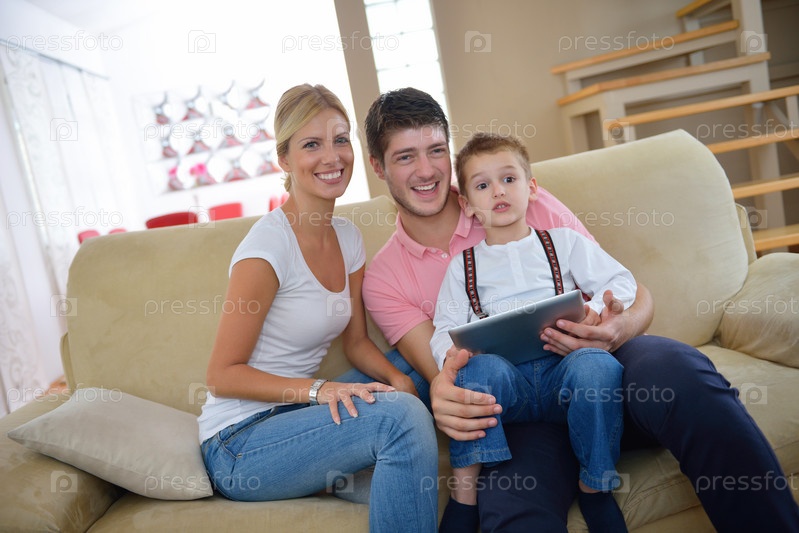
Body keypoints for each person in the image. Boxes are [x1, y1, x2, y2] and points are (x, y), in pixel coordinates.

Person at [361, 87, 799, 532]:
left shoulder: (523, 198)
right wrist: (445, 390)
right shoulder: (384, 278)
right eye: (405, 157)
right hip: (517, 414)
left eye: (436, 150)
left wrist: (616, 328)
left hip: (597, 371)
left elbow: (628, 289)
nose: (425, 170)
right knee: (515, 515)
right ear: (377, 166)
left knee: (679, 371)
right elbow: (445, 369)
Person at [197, 83, 438, 533]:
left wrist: (400, 380)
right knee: (401, 419)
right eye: (312, 144)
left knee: (428, 364)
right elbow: (221, 375)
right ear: (284, 159)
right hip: (240, 442)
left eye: (340, 140)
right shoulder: (268, 248)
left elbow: (356, 342)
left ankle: (346, 470)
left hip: (299, 418)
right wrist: (319, 390)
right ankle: (358, 463)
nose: (332, 157)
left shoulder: (347, 237)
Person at [431, 132, 634, 532]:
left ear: (532, 188)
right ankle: (465, 497)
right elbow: (443, 331)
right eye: (483, 186)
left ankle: (595, 487)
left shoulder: (563, 243)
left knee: (597, 365)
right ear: (467, 205)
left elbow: (621, 281)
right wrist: (453, 358)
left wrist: (595, 311)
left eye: (509, 179)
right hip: (510, 390)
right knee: (475, 372)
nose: (498, 191)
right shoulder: (462, 266)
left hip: (564, 372)